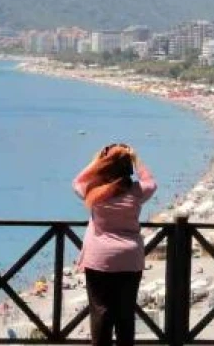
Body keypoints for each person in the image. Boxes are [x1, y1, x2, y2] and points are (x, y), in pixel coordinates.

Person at [72, 143, 157, 346]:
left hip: (99, 259)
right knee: (125, 314)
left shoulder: (93, 192)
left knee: (101, 312)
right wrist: (136, 159)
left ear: (105, 167)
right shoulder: (137, 192)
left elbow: (77, 180)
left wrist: (98, 161)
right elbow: (151, 182)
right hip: (130, 260)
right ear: (128, 168)